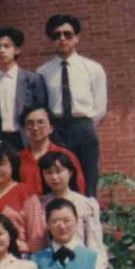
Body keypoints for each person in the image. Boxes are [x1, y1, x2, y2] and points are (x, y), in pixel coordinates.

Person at [38, 14, 107, 192]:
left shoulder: (93, 68)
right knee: (57, 174)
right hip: (56, 129)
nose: (62, 39)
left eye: (67, 34)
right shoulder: (43, 72)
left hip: (83, 127)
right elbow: (42, 106)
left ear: (77, 37)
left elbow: (100, 106)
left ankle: (90, 207)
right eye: (57, 35)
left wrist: (85, 125)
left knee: (88, 175)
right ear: (51, 40)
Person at [0, 27, 48, 153]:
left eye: (7, 46)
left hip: (25, 137)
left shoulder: (33, 79)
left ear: (17, 49)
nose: (2, 50)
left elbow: (42, 110)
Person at [0, 145, 46, 250]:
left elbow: (37, 234)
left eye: (2, 164)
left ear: (12, 165)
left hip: (21, 254)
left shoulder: (26, 193)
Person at [17, 106, 87, 196]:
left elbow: (79, 187)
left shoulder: (65, 155)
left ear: (51, 128)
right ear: (24, 129)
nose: (35, 128)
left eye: (40, 122)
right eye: (30, 123)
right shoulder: (17, 158)